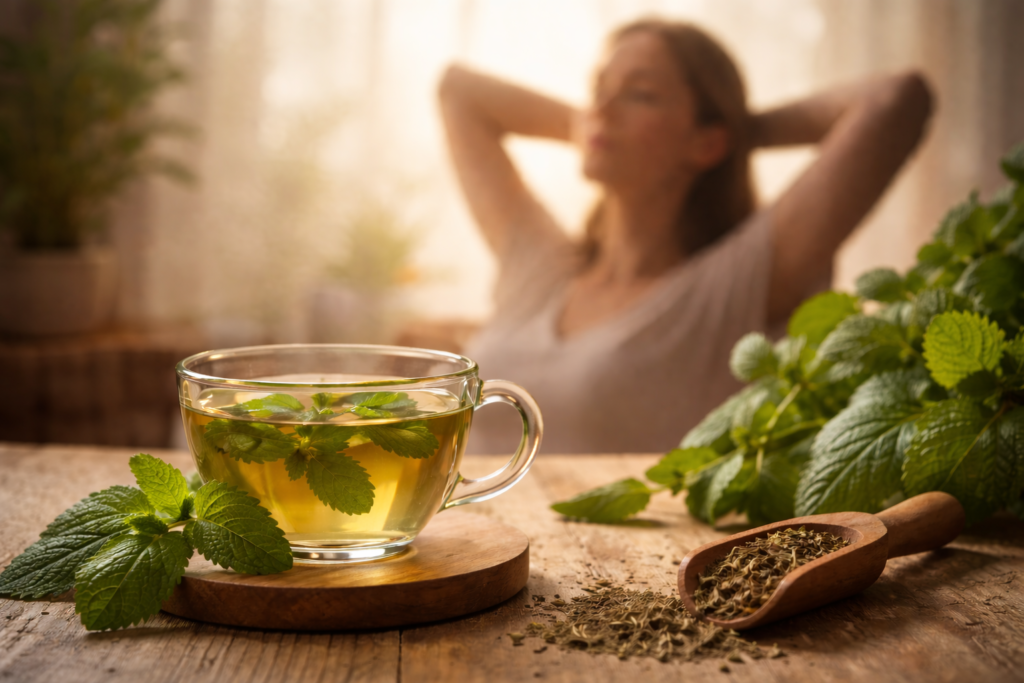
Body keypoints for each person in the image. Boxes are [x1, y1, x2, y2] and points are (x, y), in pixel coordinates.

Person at [438, 18, 932, 454]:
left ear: (708, 141)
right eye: (598, 90)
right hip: (473, 547)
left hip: (613, 559)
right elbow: (459, 90)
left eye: (641, 94)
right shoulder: (543, 269)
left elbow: (895, 99)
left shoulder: (727, 286)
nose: (602, 107)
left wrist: (739, 133)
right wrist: (600, 125)